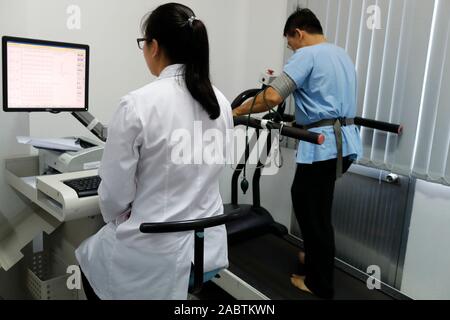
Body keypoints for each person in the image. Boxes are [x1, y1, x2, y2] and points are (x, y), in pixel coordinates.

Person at [76, 3, 233, 300]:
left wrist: (125, 212)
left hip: (154, 257)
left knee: (87, 258)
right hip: (206, 250)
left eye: (143, 43)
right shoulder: (221, 102)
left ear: (155, 46)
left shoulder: (137, 104)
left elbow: (113, 199)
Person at [232, 8, 362, 299]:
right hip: (346, 144)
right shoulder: (341, 54)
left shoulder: (307, 55)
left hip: (324, 144)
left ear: (299, 33)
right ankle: (314, 257)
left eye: (290, 43)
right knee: (318, 208)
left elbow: (274, 95)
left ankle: (318, 284)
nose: (291, 50)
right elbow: (324, 99)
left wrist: (235, 111)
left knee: (310, 210)